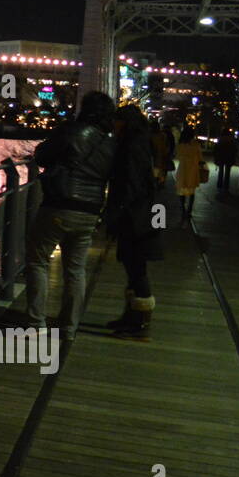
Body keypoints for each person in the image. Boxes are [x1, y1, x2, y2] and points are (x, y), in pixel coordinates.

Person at [25, 90, 117, 342]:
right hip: (90, 211)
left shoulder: (71, 131)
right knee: (76, 270)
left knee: (37, 261)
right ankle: (68, 328)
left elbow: (42, 155)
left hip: (59, 204)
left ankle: (36, 323)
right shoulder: (110, 143)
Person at [103, 105, 163, 339]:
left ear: (125, 123)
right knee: (134, 267)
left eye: (117, 122)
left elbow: (129, 184)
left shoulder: (131, 146)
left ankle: (140, 323)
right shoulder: (143, 143)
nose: (114, 126)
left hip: (135, 217)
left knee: (136, 268)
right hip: (144, 214)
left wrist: (116, 215)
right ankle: (131, 316)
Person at [173, 127, 204, 223]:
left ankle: (183, 209)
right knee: (191, 192)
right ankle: (189, 210)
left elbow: (177, 156)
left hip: (182, 170)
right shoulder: (196, 145)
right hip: (192, 170)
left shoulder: (180, 145)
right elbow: (200, 158)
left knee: (181, 191)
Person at [148, 118, 174, 187]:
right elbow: (167, 146)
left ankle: (156, 183)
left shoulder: (149, 136)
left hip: (153, 159)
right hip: (162, 158)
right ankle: (160, 183)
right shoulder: (163, 135)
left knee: (154, 173)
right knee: (161, 172)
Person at [213, 128, 237, 194]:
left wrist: (216, 157)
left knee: (221, 172)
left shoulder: (220, 139)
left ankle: (219, 186)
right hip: (229, 158)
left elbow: (216, 149)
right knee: (227, 173)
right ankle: (226, 187)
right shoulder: (231, 140)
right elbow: (234, 150)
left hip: (221, 158)